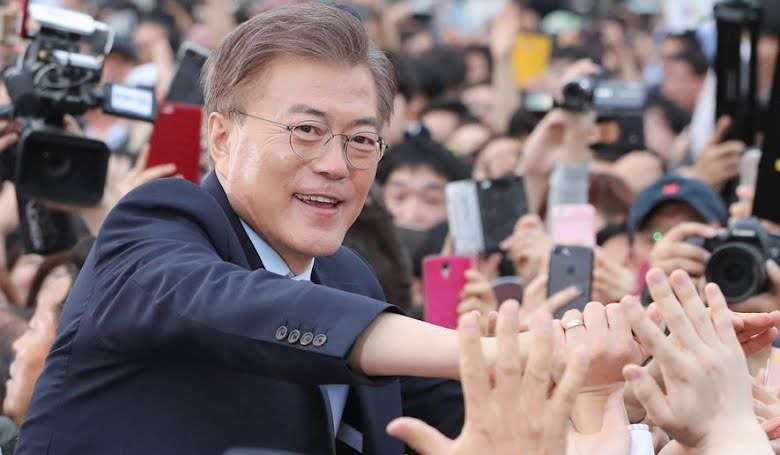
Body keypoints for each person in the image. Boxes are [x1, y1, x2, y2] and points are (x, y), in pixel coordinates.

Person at [16, 5, 482, 454]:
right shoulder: (153, 224)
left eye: (361, 140)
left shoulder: (350, 278)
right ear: (222, 138)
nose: (336, 165)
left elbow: (457, 410)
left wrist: (515, 349)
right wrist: (475, 350)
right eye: (306, 130)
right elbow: (239, 306)